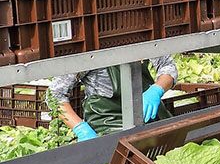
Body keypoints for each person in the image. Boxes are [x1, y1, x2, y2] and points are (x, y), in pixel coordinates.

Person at [50, 57, 178, 140]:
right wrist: (80, 128)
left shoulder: (139, 35)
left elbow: (167, 66)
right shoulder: (87, 52)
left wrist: (156, 90)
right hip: (108, 126)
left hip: (148, 116)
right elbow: (54, 94)